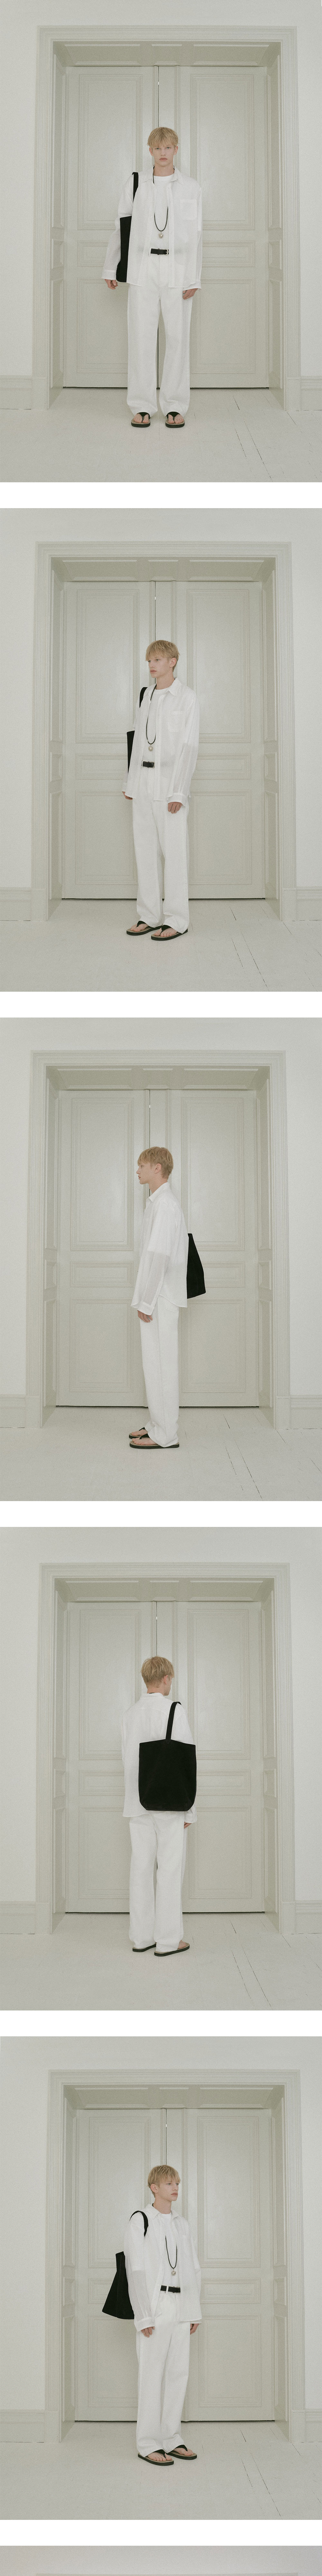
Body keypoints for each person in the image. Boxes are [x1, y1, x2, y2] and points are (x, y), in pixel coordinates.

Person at [102, 124, 202, 427]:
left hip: (178, 270)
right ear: (150, 151)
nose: (163, 153)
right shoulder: (136, 184)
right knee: (141, 337)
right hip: (142, 268)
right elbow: (121, 226)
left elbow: (197, 235)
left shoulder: (191, 187)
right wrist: (111, 266)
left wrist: (194, 278)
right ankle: (142, 405)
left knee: (178, 338)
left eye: (168, 148)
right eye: (158, 148)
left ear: (176, 150)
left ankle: (175, 405)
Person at [124, 2161, 201, 2465]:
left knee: (178, 2373)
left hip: (182, 2306)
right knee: (151, 2374)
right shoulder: (141, 2220)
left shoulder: (182, 2224)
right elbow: (136, 2270)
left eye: (177, 2183)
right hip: (156, 2307)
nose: (176, 2188)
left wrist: (194, 2310)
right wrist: (144, 2315)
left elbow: (194, 2267)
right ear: (154, 2188)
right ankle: (148, 2443)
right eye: (170, 2183)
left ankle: (172, 2438)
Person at [124, 638, 199, 940]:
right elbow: (138, 742)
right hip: (143, 783)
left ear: (172, 662)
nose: (152, 665)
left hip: (169, 785)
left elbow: (189, 747)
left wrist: (179, 792)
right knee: (145, 851)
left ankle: (177, 920)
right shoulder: (147, 696)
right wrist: (131, 783)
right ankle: (150, 915)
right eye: (149, 661)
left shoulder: (187, 698)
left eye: (157, 660)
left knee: (174, 853)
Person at [121, 1653, 196, 1953]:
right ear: (166, 1679)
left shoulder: (130, 1714)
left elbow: (127, 1760)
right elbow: (186, 1762)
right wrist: (191, 1809)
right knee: (169, 1869)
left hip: (137, 1801)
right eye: (171, 1679)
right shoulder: (174, 1710)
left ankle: (141, 1938)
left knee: (140, 1868)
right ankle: (168, 1941)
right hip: (169, 1802)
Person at [130, 1145, 188, 1451]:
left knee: (162, 1365)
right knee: (155, 1364)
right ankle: (157, 1425)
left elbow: (161, 1256)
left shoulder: (165, 1205)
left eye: (142, 1166)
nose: (137, 1171)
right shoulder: (159, 1203)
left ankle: (166, 1435)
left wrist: (147, 1301)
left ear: (157, 1168)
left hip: (161, 1297)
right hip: (159, 1295)